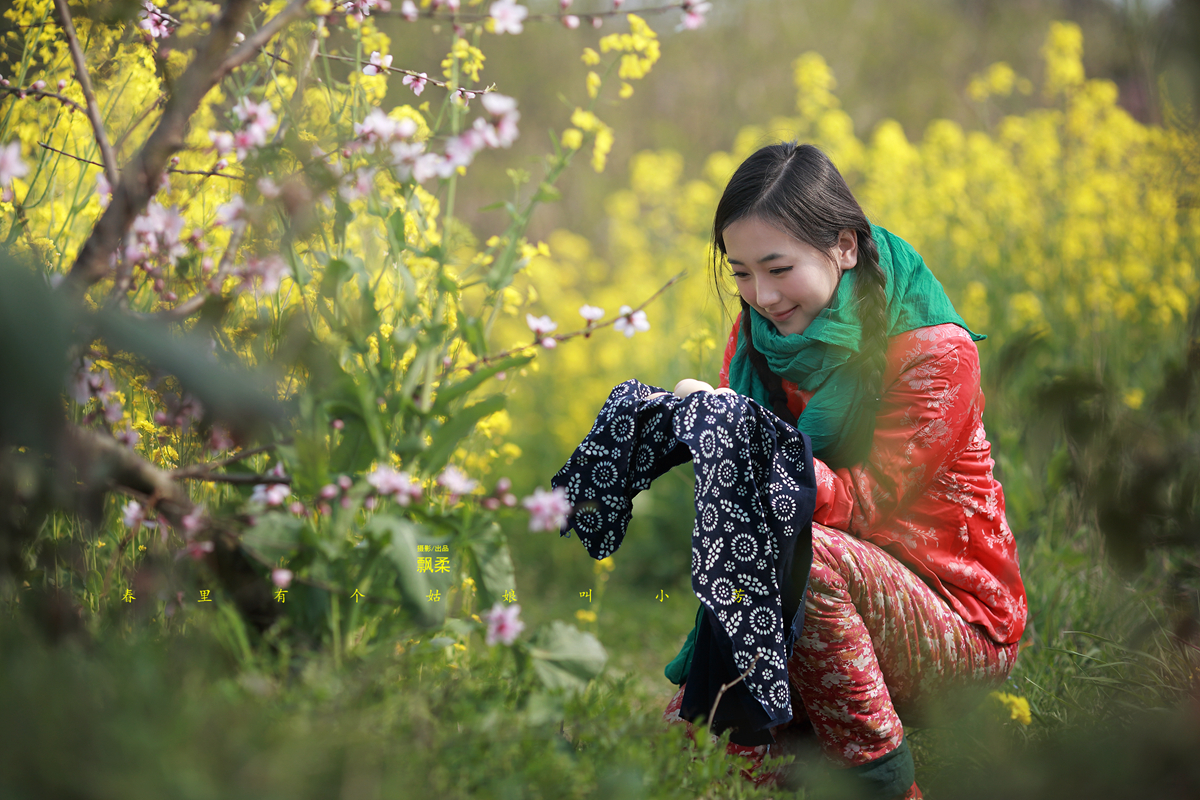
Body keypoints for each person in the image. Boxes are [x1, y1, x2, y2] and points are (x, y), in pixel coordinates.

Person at [652, 142, 1027, 799]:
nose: (761, 296)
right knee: (683, 745)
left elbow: (863, 507)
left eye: (777, 268)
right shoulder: (760, 340)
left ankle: (883, 785)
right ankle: (779, 754)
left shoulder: (933, 354)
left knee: (806, 552)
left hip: (953, 622)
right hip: (822, 609)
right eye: (740, 273)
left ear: (846, 247)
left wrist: (749, 443)